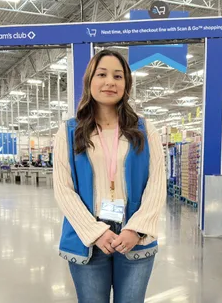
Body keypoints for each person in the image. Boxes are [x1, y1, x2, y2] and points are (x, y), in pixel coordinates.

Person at [53, 49, 166, 303]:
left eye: (118, 76)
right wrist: (95, 231)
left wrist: (136, 229)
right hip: (89, 239)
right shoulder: (69, 132)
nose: (109, 82)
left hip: (133, 236)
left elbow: (157, 184)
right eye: (102, 74)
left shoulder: (145, 129)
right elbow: (63, 189)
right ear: (89, 80)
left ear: (126, 84)